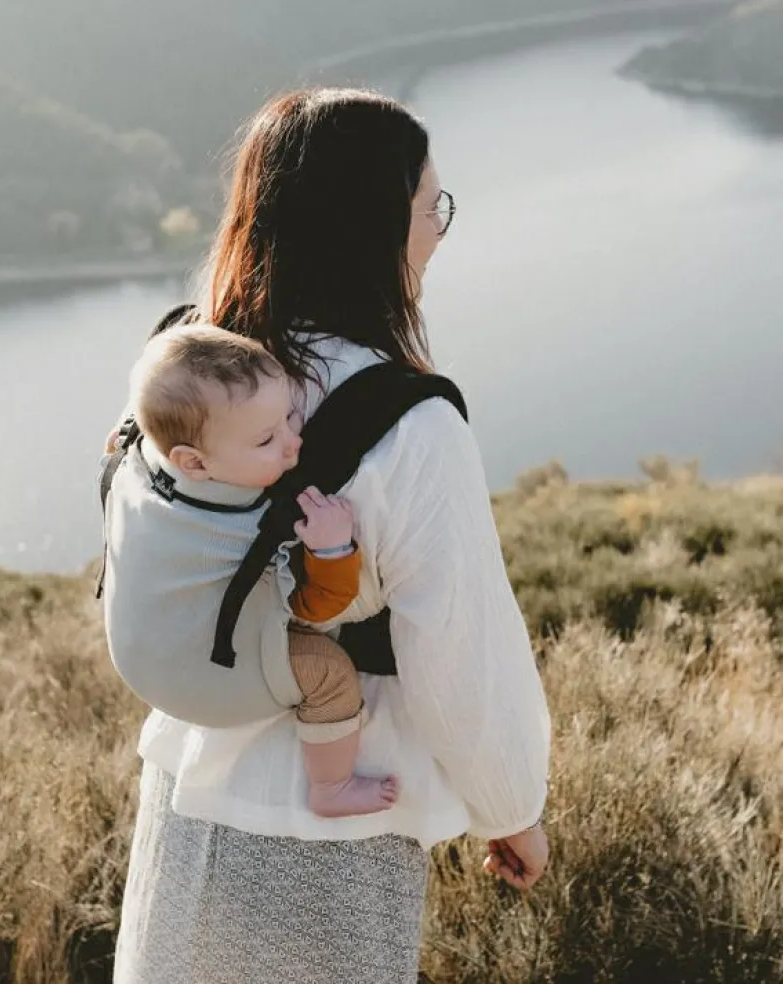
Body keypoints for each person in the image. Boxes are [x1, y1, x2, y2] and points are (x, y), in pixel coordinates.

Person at [108, 87, 552, 984]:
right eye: (431, 209)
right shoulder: (408, 424)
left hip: (188, 788)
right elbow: (457, 646)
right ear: (371, 229)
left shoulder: (186, 372)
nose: (437, 231)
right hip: (336, 821)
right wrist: (512, 807)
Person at [116, 322, 398, 817]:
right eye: (268, 439)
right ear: (195, 462)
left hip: (138, 655)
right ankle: (330, 789)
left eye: (291, 416)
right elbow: (314, 607)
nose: (294, 443)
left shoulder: (139, 459)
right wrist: (331, 551)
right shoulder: (249, 527)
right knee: (329, 673)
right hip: (205, 687)